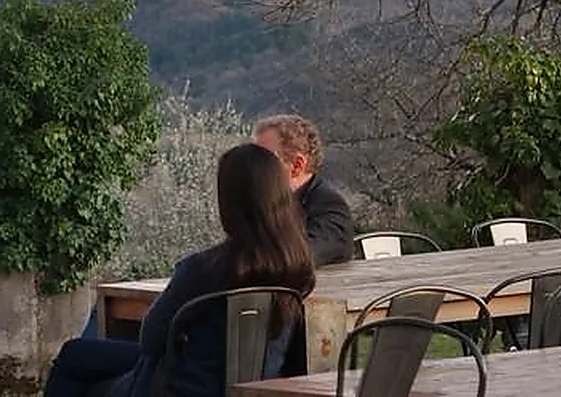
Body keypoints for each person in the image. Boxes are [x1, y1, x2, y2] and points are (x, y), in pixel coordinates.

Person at [44, 143, 315, 397]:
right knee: (78, 354)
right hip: (253, 386)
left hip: (184, 387)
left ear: (229, 203)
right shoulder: (296, 268)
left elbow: (151, 339)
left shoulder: (203, 268)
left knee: (76, 361)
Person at [251, 114, 354, 267]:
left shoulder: (329, 208)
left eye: (263, 160)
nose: (252, 168)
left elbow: (297, 257)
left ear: (297, 166)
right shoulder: (264, 206)